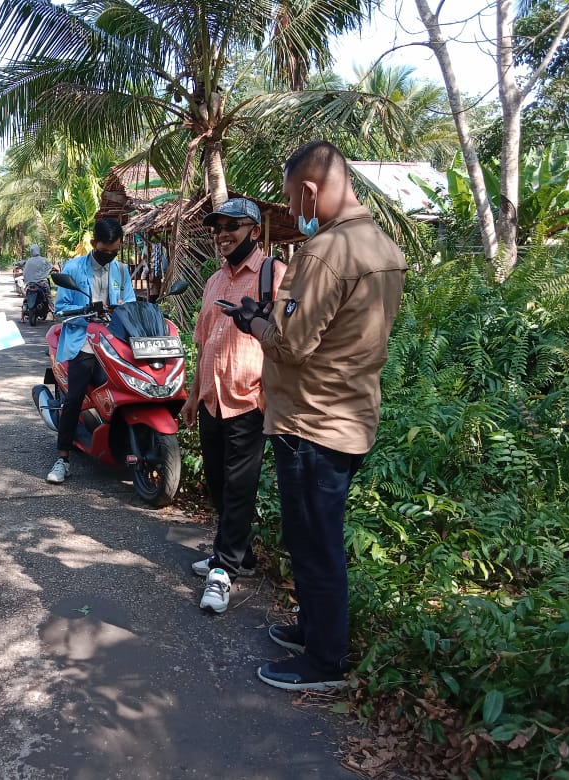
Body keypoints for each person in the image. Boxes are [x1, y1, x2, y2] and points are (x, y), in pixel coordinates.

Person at [225, 141, 407, 690]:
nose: (295, 211)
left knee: (314, 539)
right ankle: (313, 628)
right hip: (350, 414)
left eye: (292, 199)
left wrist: (254, 324)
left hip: (311, 421)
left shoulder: (325, 253)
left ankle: (325, 661)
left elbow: (291, 344)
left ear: (308, 190)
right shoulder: (383, 245)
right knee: (316, 535)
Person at [180, 198, 286, 615]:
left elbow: (288, 339)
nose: (222, 234)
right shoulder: (213, 281)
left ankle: (223, 571)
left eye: (232, 226)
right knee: (218, 484)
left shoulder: (273, 275)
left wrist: (266, 396)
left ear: (255, 232)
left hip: (248, 400)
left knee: (239, 488)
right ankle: (237, 553)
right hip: (211, 400)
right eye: (217, 227)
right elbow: (204, 341)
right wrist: (192, 394)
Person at [46, 218, 136, 483]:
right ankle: (62, 458)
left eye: (114, 251)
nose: (109, 256)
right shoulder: (73, 268)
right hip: (82, 339)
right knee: (74, 397)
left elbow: (129, 303)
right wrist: (87, 311)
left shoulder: (121, 270)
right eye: (104, 251)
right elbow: (61, 308)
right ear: (94, 243)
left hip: (113, 339)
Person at [22, 243, 55, 314]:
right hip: (41, 283)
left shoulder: (28, 261)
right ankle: (53, 313)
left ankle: (22, 315)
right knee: (48, 296)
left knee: (26, 297)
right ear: (38, 250)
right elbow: (50, 266)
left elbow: (25, 272)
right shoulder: (43, 260)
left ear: (31, 251)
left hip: (29, 283)